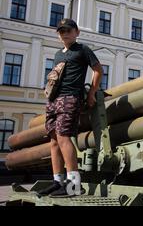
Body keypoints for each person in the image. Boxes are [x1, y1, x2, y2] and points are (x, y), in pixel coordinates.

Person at [38, 18, 103, 198]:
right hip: (53, 99)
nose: (65, 33)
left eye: (68, 30)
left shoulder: (83, 50)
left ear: (77, 32)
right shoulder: (58, 54)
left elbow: (98, 70)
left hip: (70, 98)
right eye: (61, 31)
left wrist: (91, 94)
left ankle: (74, 185)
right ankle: (58, 182)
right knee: (53, 140)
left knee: (63, 136)